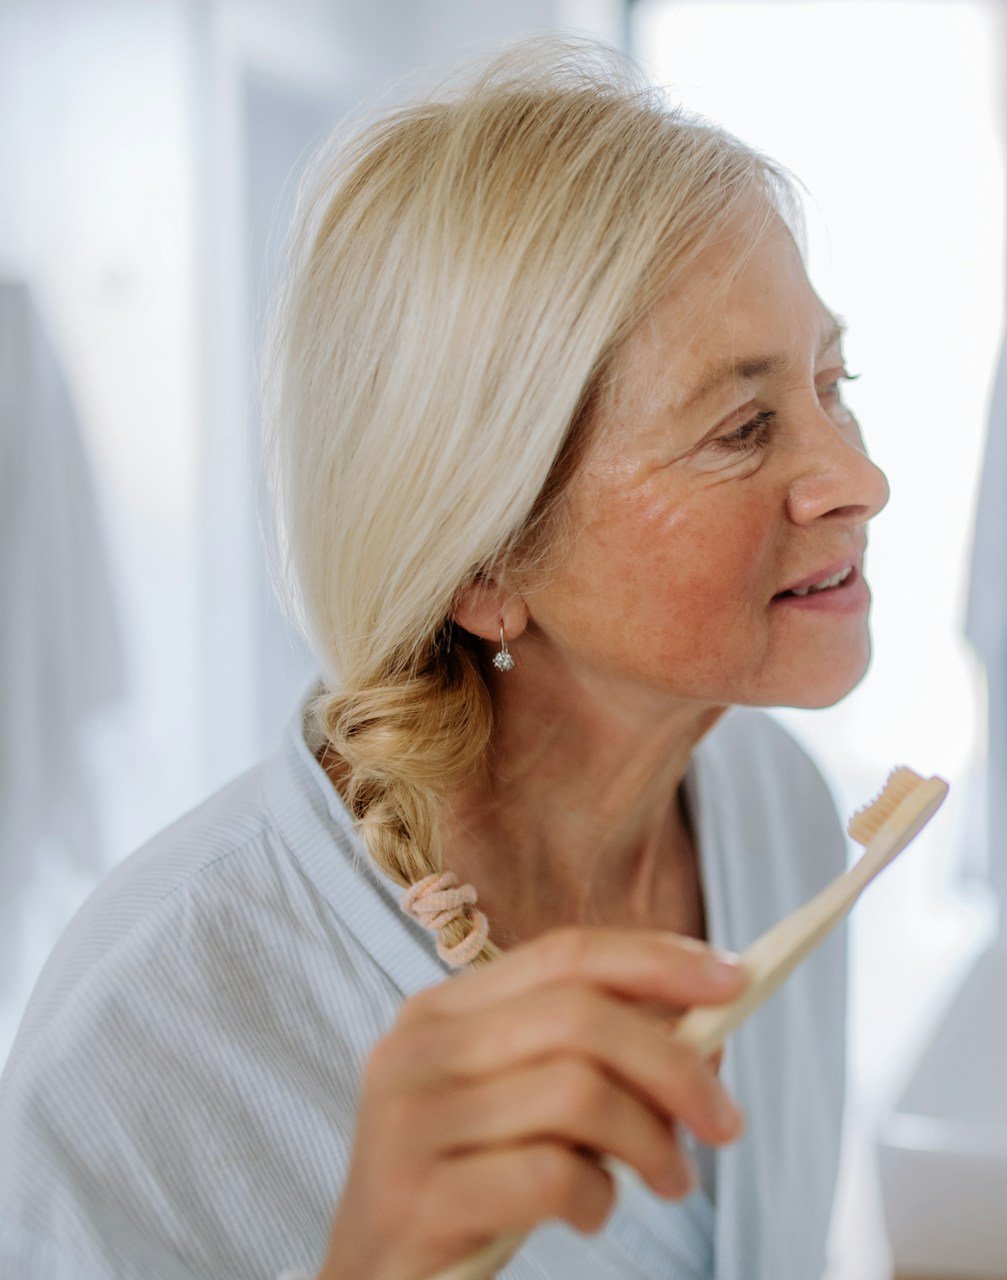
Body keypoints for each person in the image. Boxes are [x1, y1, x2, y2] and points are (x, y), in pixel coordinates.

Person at [0, 31, 886, 1280]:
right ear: (485, 565)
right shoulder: (152, 1030)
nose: (862, 477)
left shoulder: (782, 814)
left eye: (833, 382)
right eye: (744, 427)